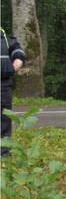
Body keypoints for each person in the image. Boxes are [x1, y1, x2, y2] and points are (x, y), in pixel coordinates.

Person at [1, 27, 26, 157]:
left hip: (3, 82)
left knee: (4, 117)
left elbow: (17, 50)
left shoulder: (3, 34)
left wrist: (17, 61)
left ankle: (3, 155)